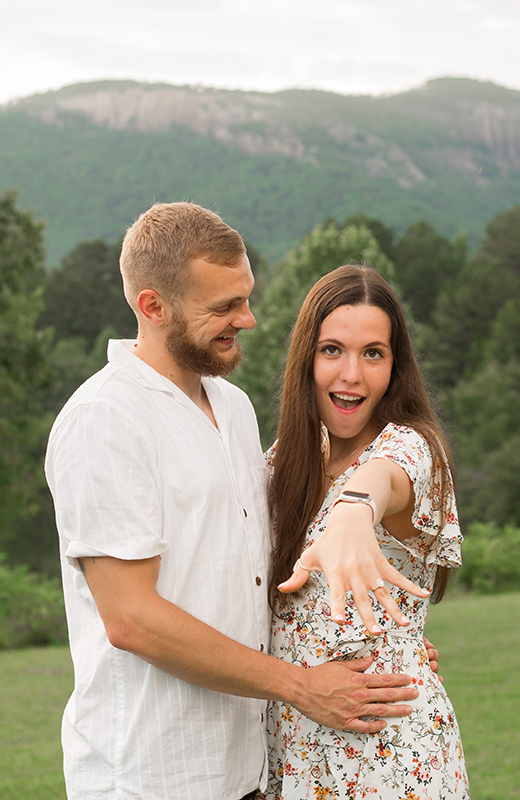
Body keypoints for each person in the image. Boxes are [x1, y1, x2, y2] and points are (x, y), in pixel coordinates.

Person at [44, 203, 428, 800]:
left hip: (249, 771)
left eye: (245, 298)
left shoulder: (235, 408)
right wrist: (300, 684)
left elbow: (255, 572)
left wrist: (377, 643)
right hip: (151, 777)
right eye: (222, 307)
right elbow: (131, 619)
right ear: (152, 306)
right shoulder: (105, 419)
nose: (246, 320)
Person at [263, 264, 469, 799]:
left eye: (372, 353)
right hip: (292, 746)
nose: (352, 374)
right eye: (332, 349)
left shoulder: (413, 448)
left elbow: (385, 481)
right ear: (305, 358)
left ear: (395, 366)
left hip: (386, 754)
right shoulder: (282, 465)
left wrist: (353, 511)